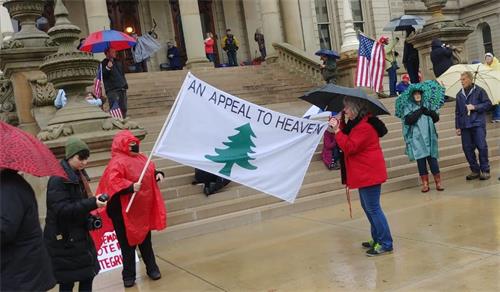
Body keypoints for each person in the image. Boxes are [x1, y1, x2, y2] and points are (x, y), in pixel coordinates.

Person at [95, 130, 167, 288]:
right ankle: (128, 275)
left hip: (140, 209)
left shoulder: (141, 158)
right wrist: (128, 187)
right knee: (127, 245)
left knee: (146, 242)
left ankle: (152, 269)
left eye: (135, 143)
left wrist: (157, 174)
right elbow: (113, 182)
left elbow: (149, 170)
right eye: (130, 144)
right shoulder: (117, 162)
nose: (134, 146)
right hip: (122, 211)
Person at [328, 97, 393, 256]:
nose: (345, 111)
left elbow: (350, 146)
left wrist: (337, 131)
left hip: (369, 172)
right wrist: (340, 124)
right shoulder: (358, 123)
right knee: (369, 207)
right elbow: (349, 133)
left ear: (356, 109)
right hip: (365, 172)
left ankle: (385, 242)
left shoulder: (364, 127)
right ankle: (377, 238)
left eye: (347, 109)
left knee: (373, 208)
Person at [44, 137, 107, 292]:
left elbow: (78, 207)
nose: (84, 162)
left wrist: (90, 219)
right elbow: (62, 210)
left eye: (86, 158)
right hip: (64, 240)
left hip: (78, 236)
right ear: (70, 156)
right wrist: (92, 203)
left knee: (87, 275)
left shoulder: (79, 176)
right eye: (81, 158)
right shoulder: (57, 179)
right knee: (68, 281)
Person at [1, 168, 57, 292]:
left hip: (20, 274)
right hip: (21, 272)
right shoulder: (10, 184)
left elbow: (4, 230)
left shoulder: (8, 188)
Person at [397, 86, 444, 192]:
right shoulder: (408, 106)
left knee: (433, 160)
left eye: (419, 93)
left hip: (430, 135)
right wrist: (419, 111)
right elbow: (408, 120)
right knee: (421, 161)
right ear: (412, 96)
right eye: (415, 94)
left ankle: (438, 182)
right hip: (417, 139)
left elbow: (436, 118)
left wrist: (429, 112)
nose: (418, 95)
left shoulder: (428, 104)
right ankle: (425, 184)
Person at [455, 71, 492, 180]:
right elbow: (457, 112)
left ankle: (485, 170)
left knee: (482, 147)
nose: (462, 82)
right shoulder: (459, 94)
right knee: (467, 149)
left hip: (477, 124)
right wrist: (457, 126)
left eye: (464, 79)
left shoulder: (480, 91)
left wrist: (475, 107)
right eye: (461, 80)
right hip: (465, 126)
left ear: (470, 79)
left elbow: (488, 104)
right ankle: (475, 170)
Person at [102, 47, 129, 118]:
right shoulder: (103, 63)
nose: (115, 53)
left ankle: (124, 122)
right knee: (115, 109)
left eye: (115, 51)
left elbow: (122, 74)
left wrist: (124, 83)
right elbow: (103, 75)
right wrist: (107, 67)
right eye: (112, 51)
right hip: (112, 90)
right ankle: (117, 123)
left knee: (124, 108)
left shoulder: (118, 62)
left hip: (122, 88)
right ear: (107, 53)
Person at [483, 52, 500, 122]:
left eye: (489, 57)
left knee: (497, 101)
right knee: (492, 101)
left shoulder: (497, 65)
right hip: (489, 86)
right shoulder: (484, 66)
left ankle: (498, 116)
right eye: (486, 58)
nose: (487, 59)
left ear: (492, 58)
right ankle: (494, 116)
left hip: (497, 85)